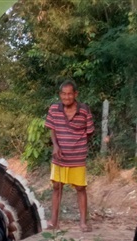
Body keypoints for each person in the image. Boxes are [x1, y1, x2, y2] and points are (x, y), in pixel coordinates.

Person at [44, 80, 94, 232]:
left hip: (77, 157)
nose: (66, 97)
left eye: (69, 94)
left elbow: (89, 132)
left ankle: (83, 223)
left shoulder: (84, 110)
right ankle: (54, 222)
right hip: (59, 156)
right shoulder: (54, 109)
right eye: (63, 94)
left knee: (80, 188)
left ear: (75, 94)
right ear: (60, 95)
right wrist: (56, 145)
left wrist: (78, 145)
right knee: (57, 187)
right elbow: (52, 128)